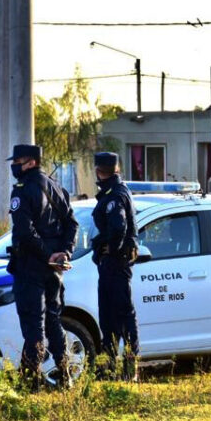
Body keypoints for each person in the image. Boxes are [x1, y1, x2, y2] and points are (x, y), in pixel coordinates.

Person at [7, 144, 78, 390]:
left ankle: (31, 381)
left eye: (18, 161)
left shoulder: (23, 190)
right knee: (54, 321)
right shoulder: (57, 187)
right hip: (53, 268)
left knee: (33, 323)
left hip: (31, 265)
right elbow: (72, 225)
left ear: (31, 162)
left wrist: (50, 255)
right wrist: (63, 253)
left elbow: (24, 231)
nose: (14, 165)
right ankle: (64, 373)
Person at [91, 152, 140, 381]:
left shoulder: (114, 196)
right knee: (111, 318)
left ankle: (129, 369)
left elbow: (119, 226)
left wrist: (110, 249)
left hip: (115, 265)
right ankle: (109, 367)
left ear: (99, 171)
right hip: (115, 264)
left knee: (120, 316)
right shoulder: (118, 191)